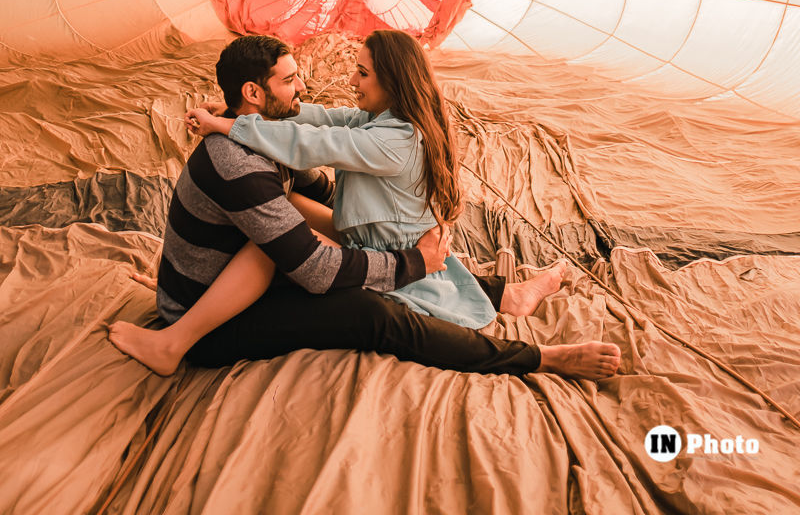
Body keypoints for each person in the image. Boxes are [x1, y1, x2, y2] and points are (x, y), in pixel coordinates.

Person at [109, 34, 621, 383]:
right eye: (290, 81)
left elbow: (319, 171)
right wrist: (409, 264)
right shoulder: (238, 163)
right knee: (373, 312)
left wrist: (391, 245)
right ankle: (537, 359)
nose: (305, 88)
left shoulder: (272, 139)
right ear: (254, 93)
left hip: (241, 276)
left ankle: (504, 294)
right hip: (210, 322)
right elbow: (315, 270)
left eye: (360, 72)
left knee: (356, 239)